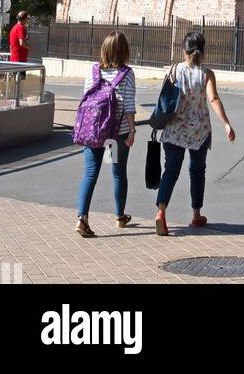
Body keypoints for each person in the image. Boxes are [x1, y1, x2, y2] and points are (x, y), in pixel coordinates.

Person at [154, 31, 235, 235]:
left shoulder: (173, 70)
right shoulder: (206, 74)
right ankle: (196, 214)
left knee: (171, 171)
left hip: (174, 130)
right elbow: (213, 99)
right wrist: (226, 123)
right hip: (199, 131)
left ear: (184, 50)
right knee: (197, 172)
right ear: (203, 51)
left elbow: (164, 99)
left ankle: (161, 212)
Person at [75, 31, 136, 237]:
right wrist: (132, 131)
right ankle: (120, 217)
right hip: (115, 136)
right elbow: (128, 106)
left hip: (93, 133)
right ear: (124, 51)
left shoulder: (92, 71)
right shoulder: (127, 74)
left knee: (90, 174)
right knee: (118, 172)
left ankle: (82, 218)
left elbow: (87, 100)